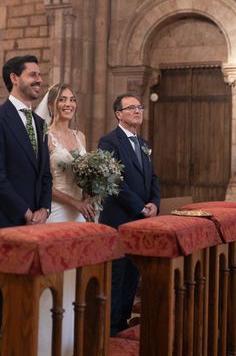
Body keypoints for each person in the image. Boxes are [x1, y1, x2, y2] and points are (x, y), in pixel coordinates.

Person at [0, 55, 52, 356]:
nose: (38, 80)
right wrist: (26, 211)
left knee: (26, 295)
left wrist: (44, 208)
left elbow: (45, 173)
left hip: (34, 225)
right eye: (32, 74)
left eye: (39, 75)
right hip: (4, 222)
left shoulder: (40, 122)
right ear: (13, 78)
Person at [34, 83, 94, 354]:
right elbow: (44, 183)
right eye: (63, 100)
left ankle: (69, 341)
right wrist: (75, 202)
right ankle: (45, 343)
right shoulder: (45, 136)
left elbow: (87, 175)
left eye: (72, 99)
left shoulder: (80, 136)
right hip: (57, 211)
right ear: (53, 104)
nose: (68, 104)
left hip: (80, 212)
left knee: (73, 279)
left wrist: (93, 193)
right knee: (53, 278)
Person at [98, 93, 160, 336]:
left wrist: (154, 203)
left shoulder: (143, 143)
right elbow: (113, 181)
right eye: (131, 107)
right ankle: (111, 327)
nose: (138, 111)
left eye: (139, 107)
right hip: (119, 219)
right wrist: (140, 207)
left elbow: (152, 177)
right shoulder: (108, 142)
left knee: (133, 273)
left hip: (141, 221)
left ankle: (123, 320)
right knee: (117, 275)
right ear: (118, 114)